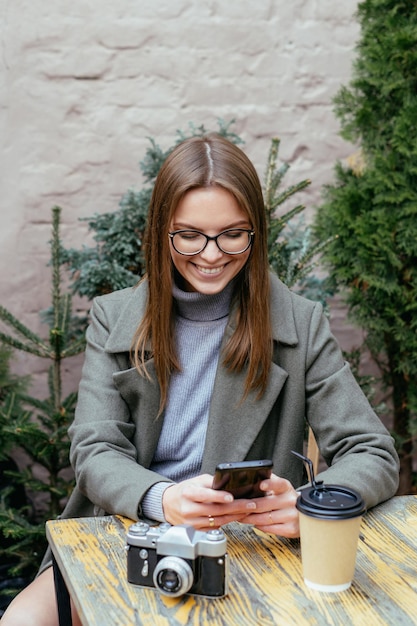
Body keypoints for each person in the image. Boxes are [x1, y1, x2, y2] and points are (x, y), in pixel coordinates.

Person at [2, 133, 399, 625]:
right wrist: (163, 499)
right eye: (189, 234)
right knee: (23, 620)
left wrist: (313, 507)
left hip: (250, 546)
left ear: (255, 232)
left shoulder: (300, 322)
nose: (211, 254)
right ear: (160, 231)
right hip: (128, 530)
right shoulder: (114, 317)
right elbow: (95, 448)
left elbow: (373, 451)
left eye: (232, 234)